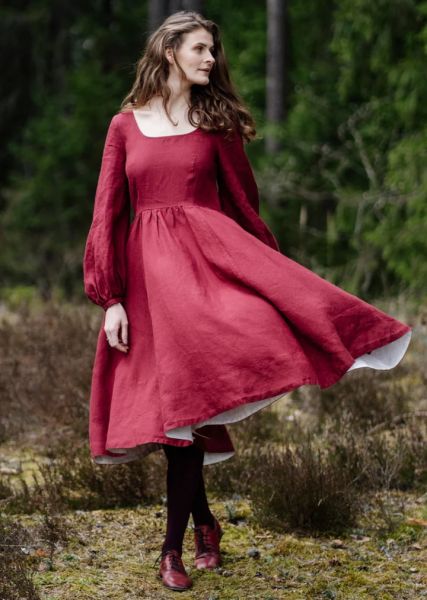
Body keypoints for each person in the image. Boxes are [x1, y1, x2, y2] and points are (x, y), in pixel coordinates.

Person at [82, 10, 412, 593]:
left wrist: (270, 278)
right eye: (201, 48)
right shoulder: (124, 127)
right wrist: (111, 298)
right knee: (178, 417)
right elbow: (106, 215)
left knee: (188, 412)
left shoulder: (217, 124)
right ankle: (204, 523)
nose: (212, 59)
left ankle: (170, 551)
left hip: (207, 276)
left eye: (213, 50)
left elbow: (242, 204)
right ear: (169, 51)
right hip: (149, 289)